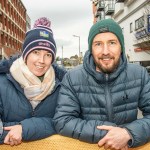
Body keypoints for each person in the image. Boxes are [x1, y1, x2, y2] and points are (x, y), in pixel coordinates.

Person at [54, 19, 150, 150]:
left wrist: (129, 133)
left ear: (121, 46)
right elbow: (63, 121)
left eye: (112, 43)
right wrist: (112, 134)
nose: (105, 51)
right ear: (91, 49)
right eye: (98, 44)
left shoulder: (139, 74)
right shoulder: (73, 78)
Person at [0, 17, 66, 146]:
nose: (41, 60)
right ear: (26, 54)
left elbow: (62, 122)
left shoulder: (61, 85)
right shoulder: (3, 82)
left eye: (48, 54)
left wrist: (24, 129)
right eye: (36, 52)